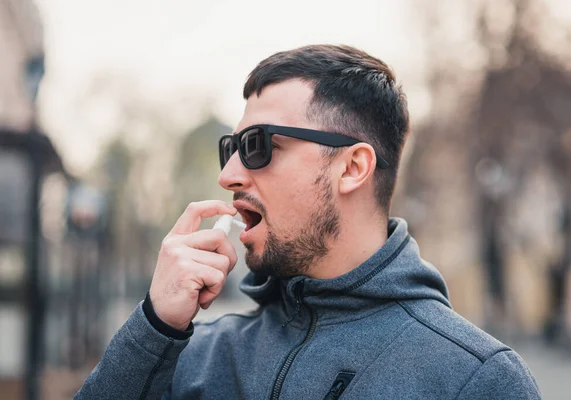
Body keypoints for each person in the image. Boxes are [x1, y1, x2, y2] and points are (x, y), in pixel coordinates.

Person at [76, 45, 541, 399]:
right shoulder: (195, 357)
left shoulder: (474, 378)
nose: (228, 175)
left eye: (258, 146)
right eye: (230, 148)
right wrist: (155, 325)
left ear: (353, 167)